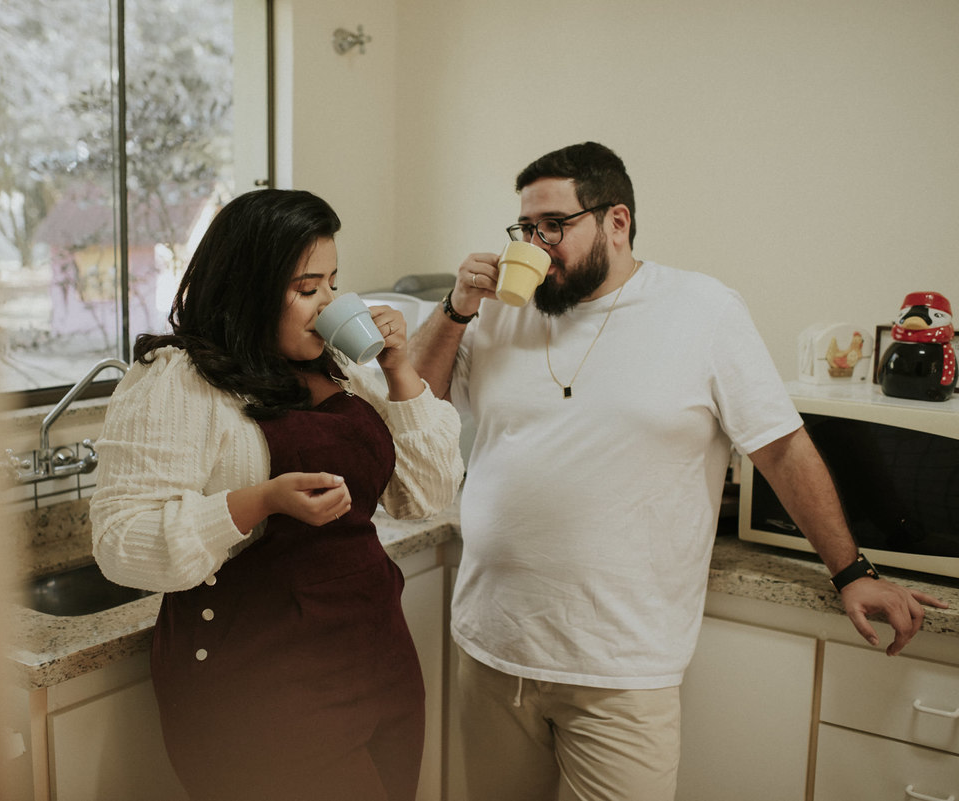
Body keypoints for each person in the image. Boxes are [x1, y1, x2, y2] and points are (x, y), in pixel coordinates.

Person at [408, 142, 948, 801]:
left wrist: (852, 569)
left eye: (554, 225)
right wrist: (457, 307)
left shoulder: (704, 310)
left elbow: (782, 448)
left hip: (623, 671)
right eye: (525, 228)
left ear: (617, 221)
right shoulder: (497, 311)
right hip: (490, 651)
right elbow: (417, 406)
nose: (536, 244)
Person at [90, 188, 465, 801]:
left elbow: (426, 492)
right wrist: (256, 502)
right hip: (257, 688)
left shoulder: (339, 369)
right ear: (249, 287)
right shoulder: (180, 380)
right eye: (306, 288)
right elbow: (119, 543)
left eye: (333, 284)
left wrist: (400, 370)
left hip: (376, 658)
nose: (328, 305)